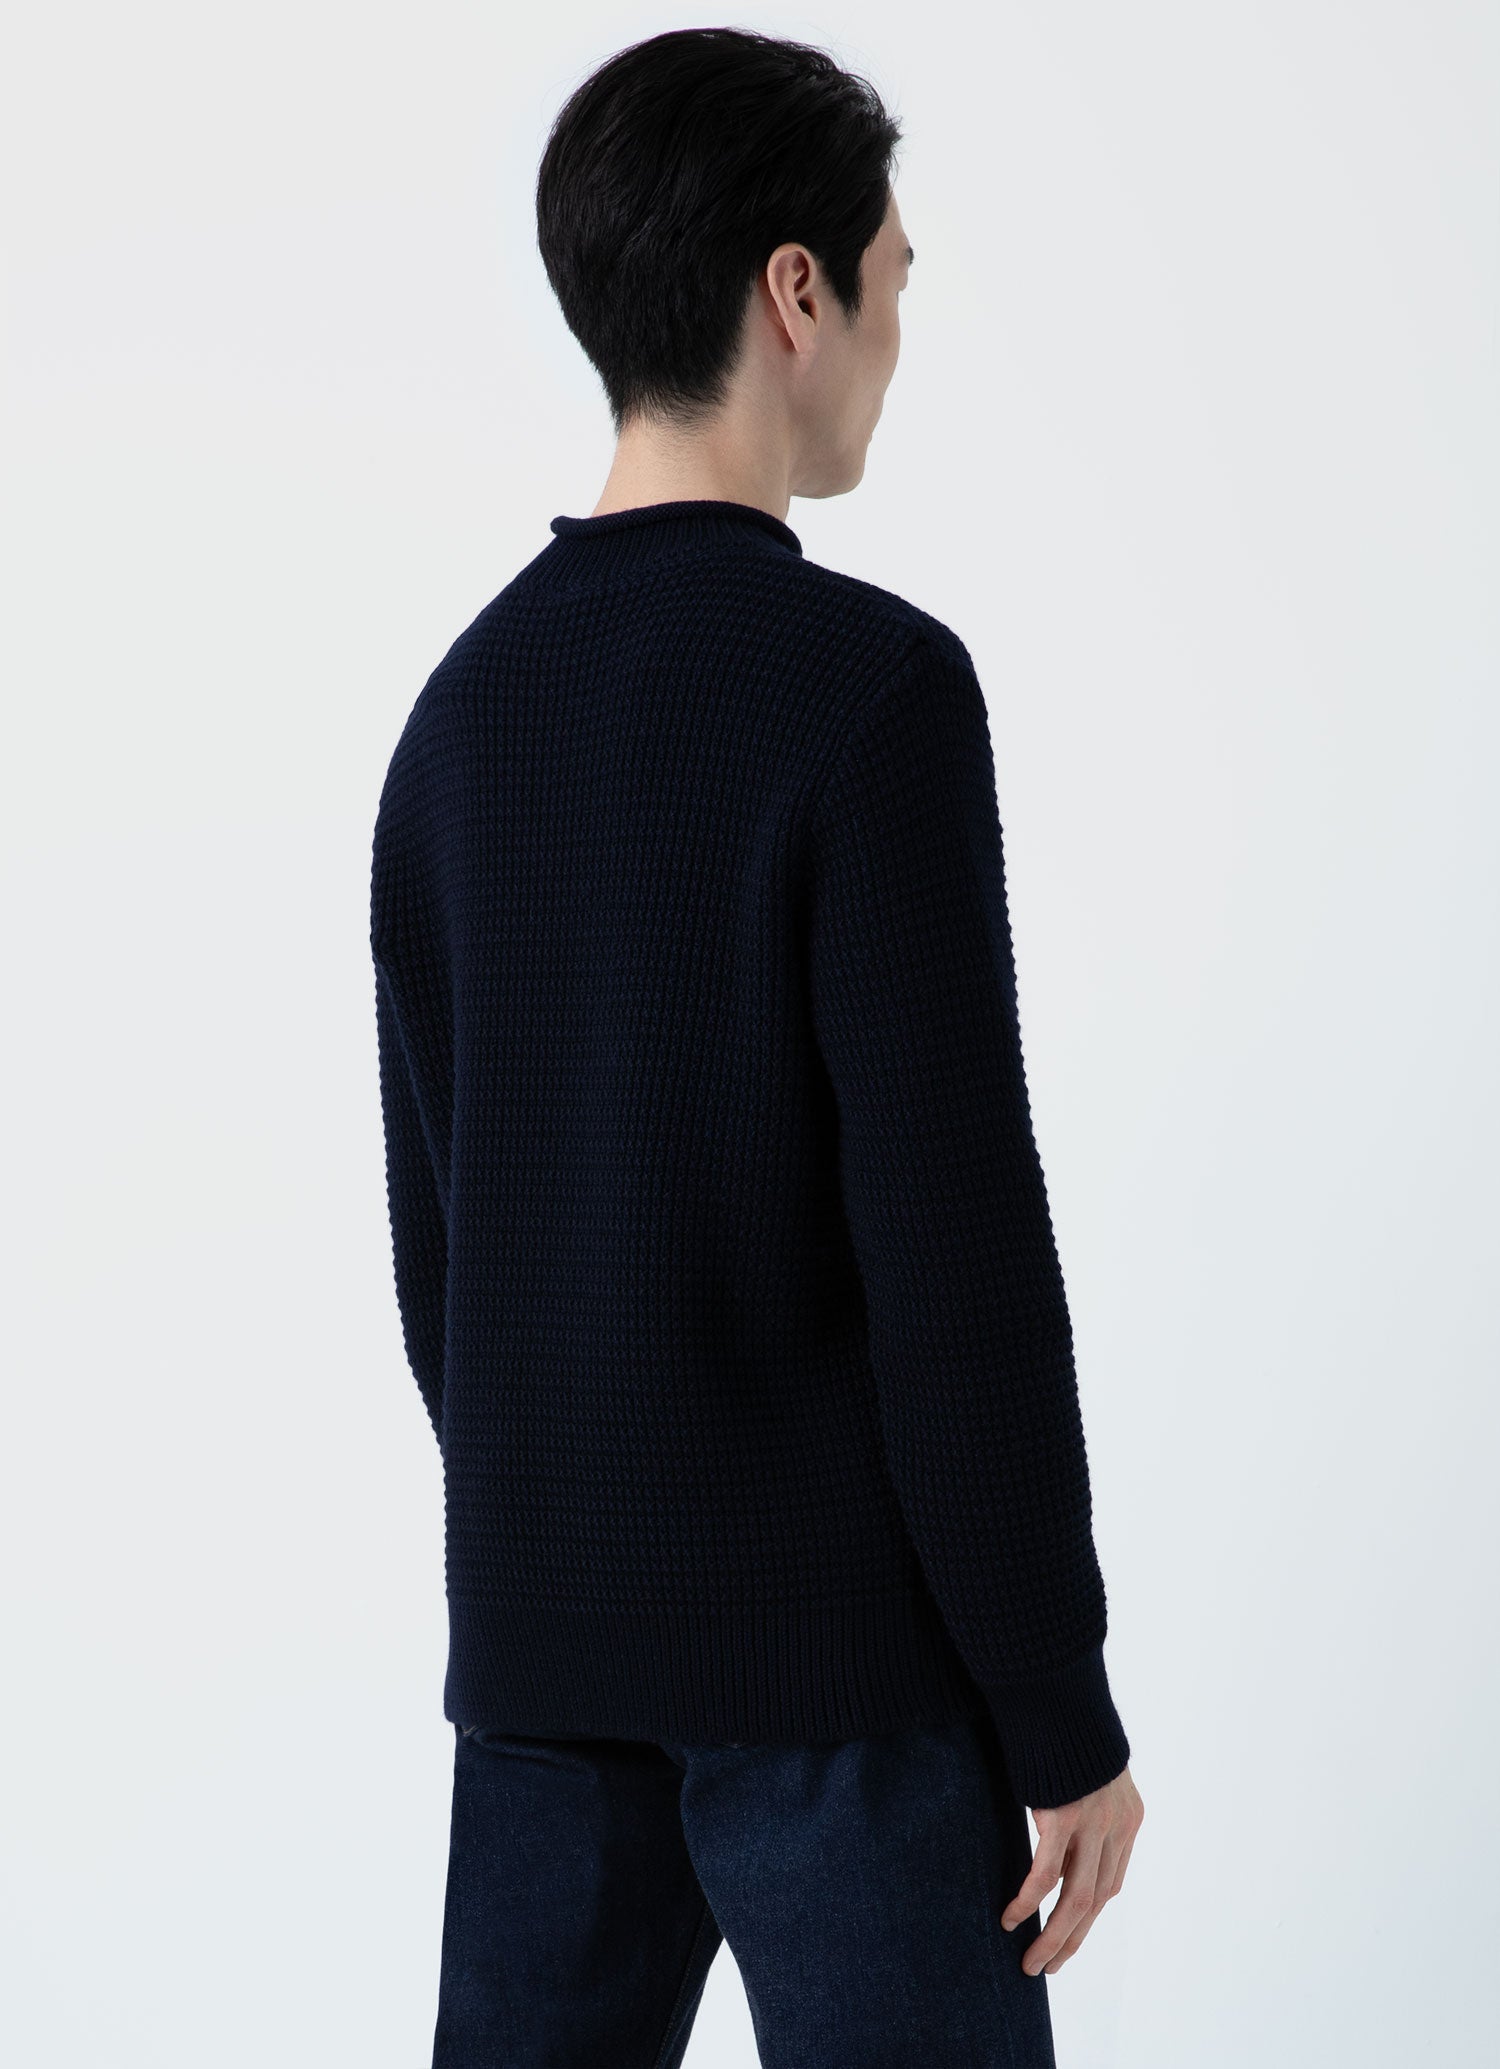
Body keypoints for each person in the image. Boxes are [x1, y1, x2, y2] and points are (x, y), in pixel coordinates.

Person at [370, 26, 1143, 2067]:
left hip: (544, 1671)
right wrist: (1055, 1708)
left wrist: (575, 1540)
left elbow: (444, 1266)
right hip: (843, 1685)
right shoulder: (869, 694)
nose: (898, 333)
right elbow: (954, 1255)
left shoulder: (457, 724)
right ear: (794, 292)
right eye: (891, 278)